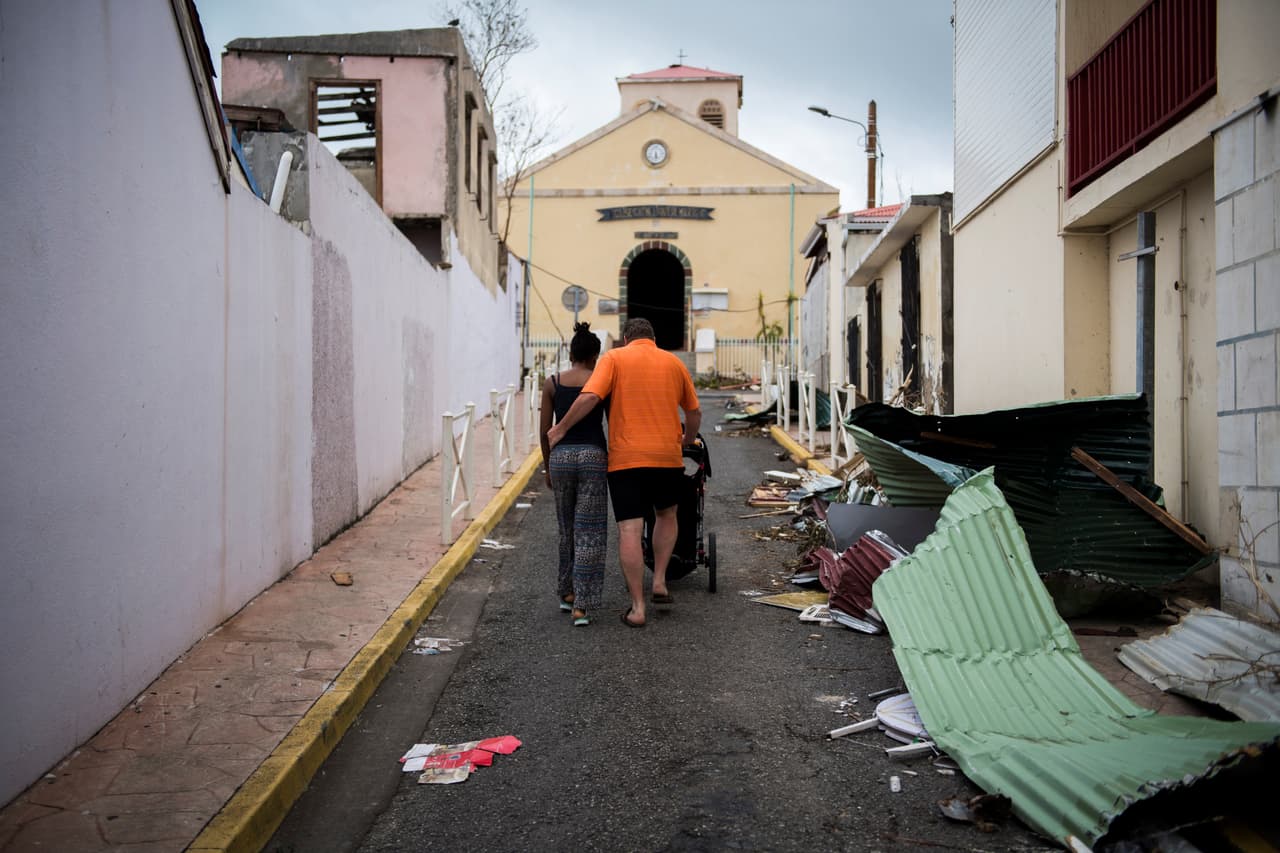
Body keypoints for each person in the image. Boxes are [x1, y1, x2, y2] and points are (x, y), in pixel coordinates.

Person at [547, 317, 701, 628]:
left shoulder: (614, 359)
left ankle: (638, 608)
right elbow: (694, 412)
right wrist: (685, 441)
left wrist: (560, 428)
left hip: (625, 460)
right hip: (665, 457)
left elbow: (590, 397)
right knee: (667, 515)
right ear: (653, 338)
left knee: (630, 530)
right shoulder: (673, 362)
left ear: (627, 338)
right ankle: (659, 580)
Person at [539, 322, 608, 627]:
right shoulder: (601, 382)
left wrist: (547, 465)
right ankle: (582, 605)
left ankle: (566, 592)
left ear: (571, 353)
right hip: (593, 457)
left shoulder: (552, 383)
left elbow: (545, 431)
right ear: (595, 355)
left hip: (561, 458)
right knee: (589, 531)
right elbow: (614, 425)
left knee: (566, 528)